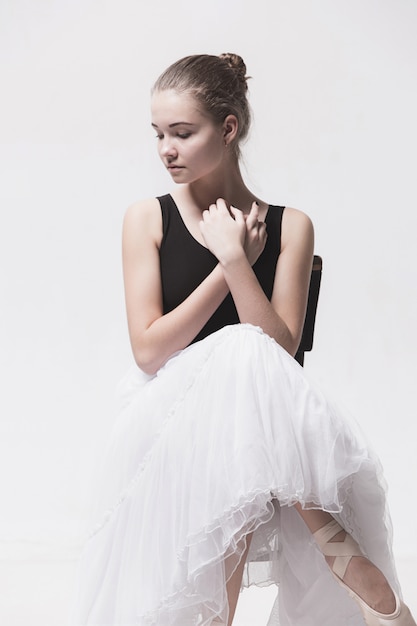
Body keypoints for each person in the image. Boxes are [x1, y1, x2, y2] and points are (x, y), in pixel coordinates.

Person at [70, 54, 416, 626]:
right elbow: (150, 351)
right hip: (166, 429)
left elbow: (281, 351)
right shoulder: (147, 219)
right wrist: (228, 263)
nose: (166, 150)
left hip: (260, 441)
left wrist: (240, 260)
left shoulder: (291, 226)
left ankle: (221, 615)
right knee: (237, 350)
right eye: (158, 134)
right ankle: (338, 548)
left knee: (246, 361)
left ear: (228, 128)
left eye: (183, 133)